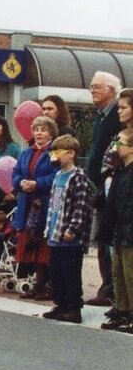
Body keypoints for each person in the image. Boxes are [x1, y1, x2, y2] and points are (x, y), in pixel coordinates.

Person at [41, 135, 94, 324]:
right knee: (56, 271)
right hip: (55, 233)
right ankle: (60, 303)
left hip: (70, 236)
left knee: (70, 271)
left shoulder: (78, 179)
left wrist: (73, 228)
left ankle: (73, 307)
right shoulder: (57, 176)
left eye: (58, 152)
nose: (54, 156)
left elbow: (81, 207)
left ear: (70, 154)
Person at [85, 71, 123, 307]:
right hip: (97, 185)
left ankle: (111, 289)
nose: (93, 90)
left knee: (107, 238)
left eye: (97, 86)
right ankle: (107, 286)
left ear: (111, 90)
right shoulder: (99, 117)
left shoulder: (116, 118)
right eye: (91, 86)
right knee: (101, 237)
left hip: (110, 184)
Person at [11, 113, 58, 299]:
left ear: (51, 133)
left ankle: (44, 286)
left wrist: (37, 183)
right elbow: (15, 172)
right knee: (29, 244)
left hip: (44, 204)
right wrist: (20, 182)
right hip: (26, 203)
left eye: (43, 129)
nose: (39, 133)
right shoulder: (26, 152)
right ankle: (36, 285)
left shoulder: (55, 151)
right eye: (36, 129)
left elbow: (56, 175)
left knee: (43, 248)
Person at [99, 127, 133, 332]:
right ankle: (122, 309)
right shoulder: (120, 170)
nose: (115, 147)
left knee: (130, 272)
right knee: (118, 271)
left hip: (130, 227)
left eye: (120, 143)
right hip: (119, 227)